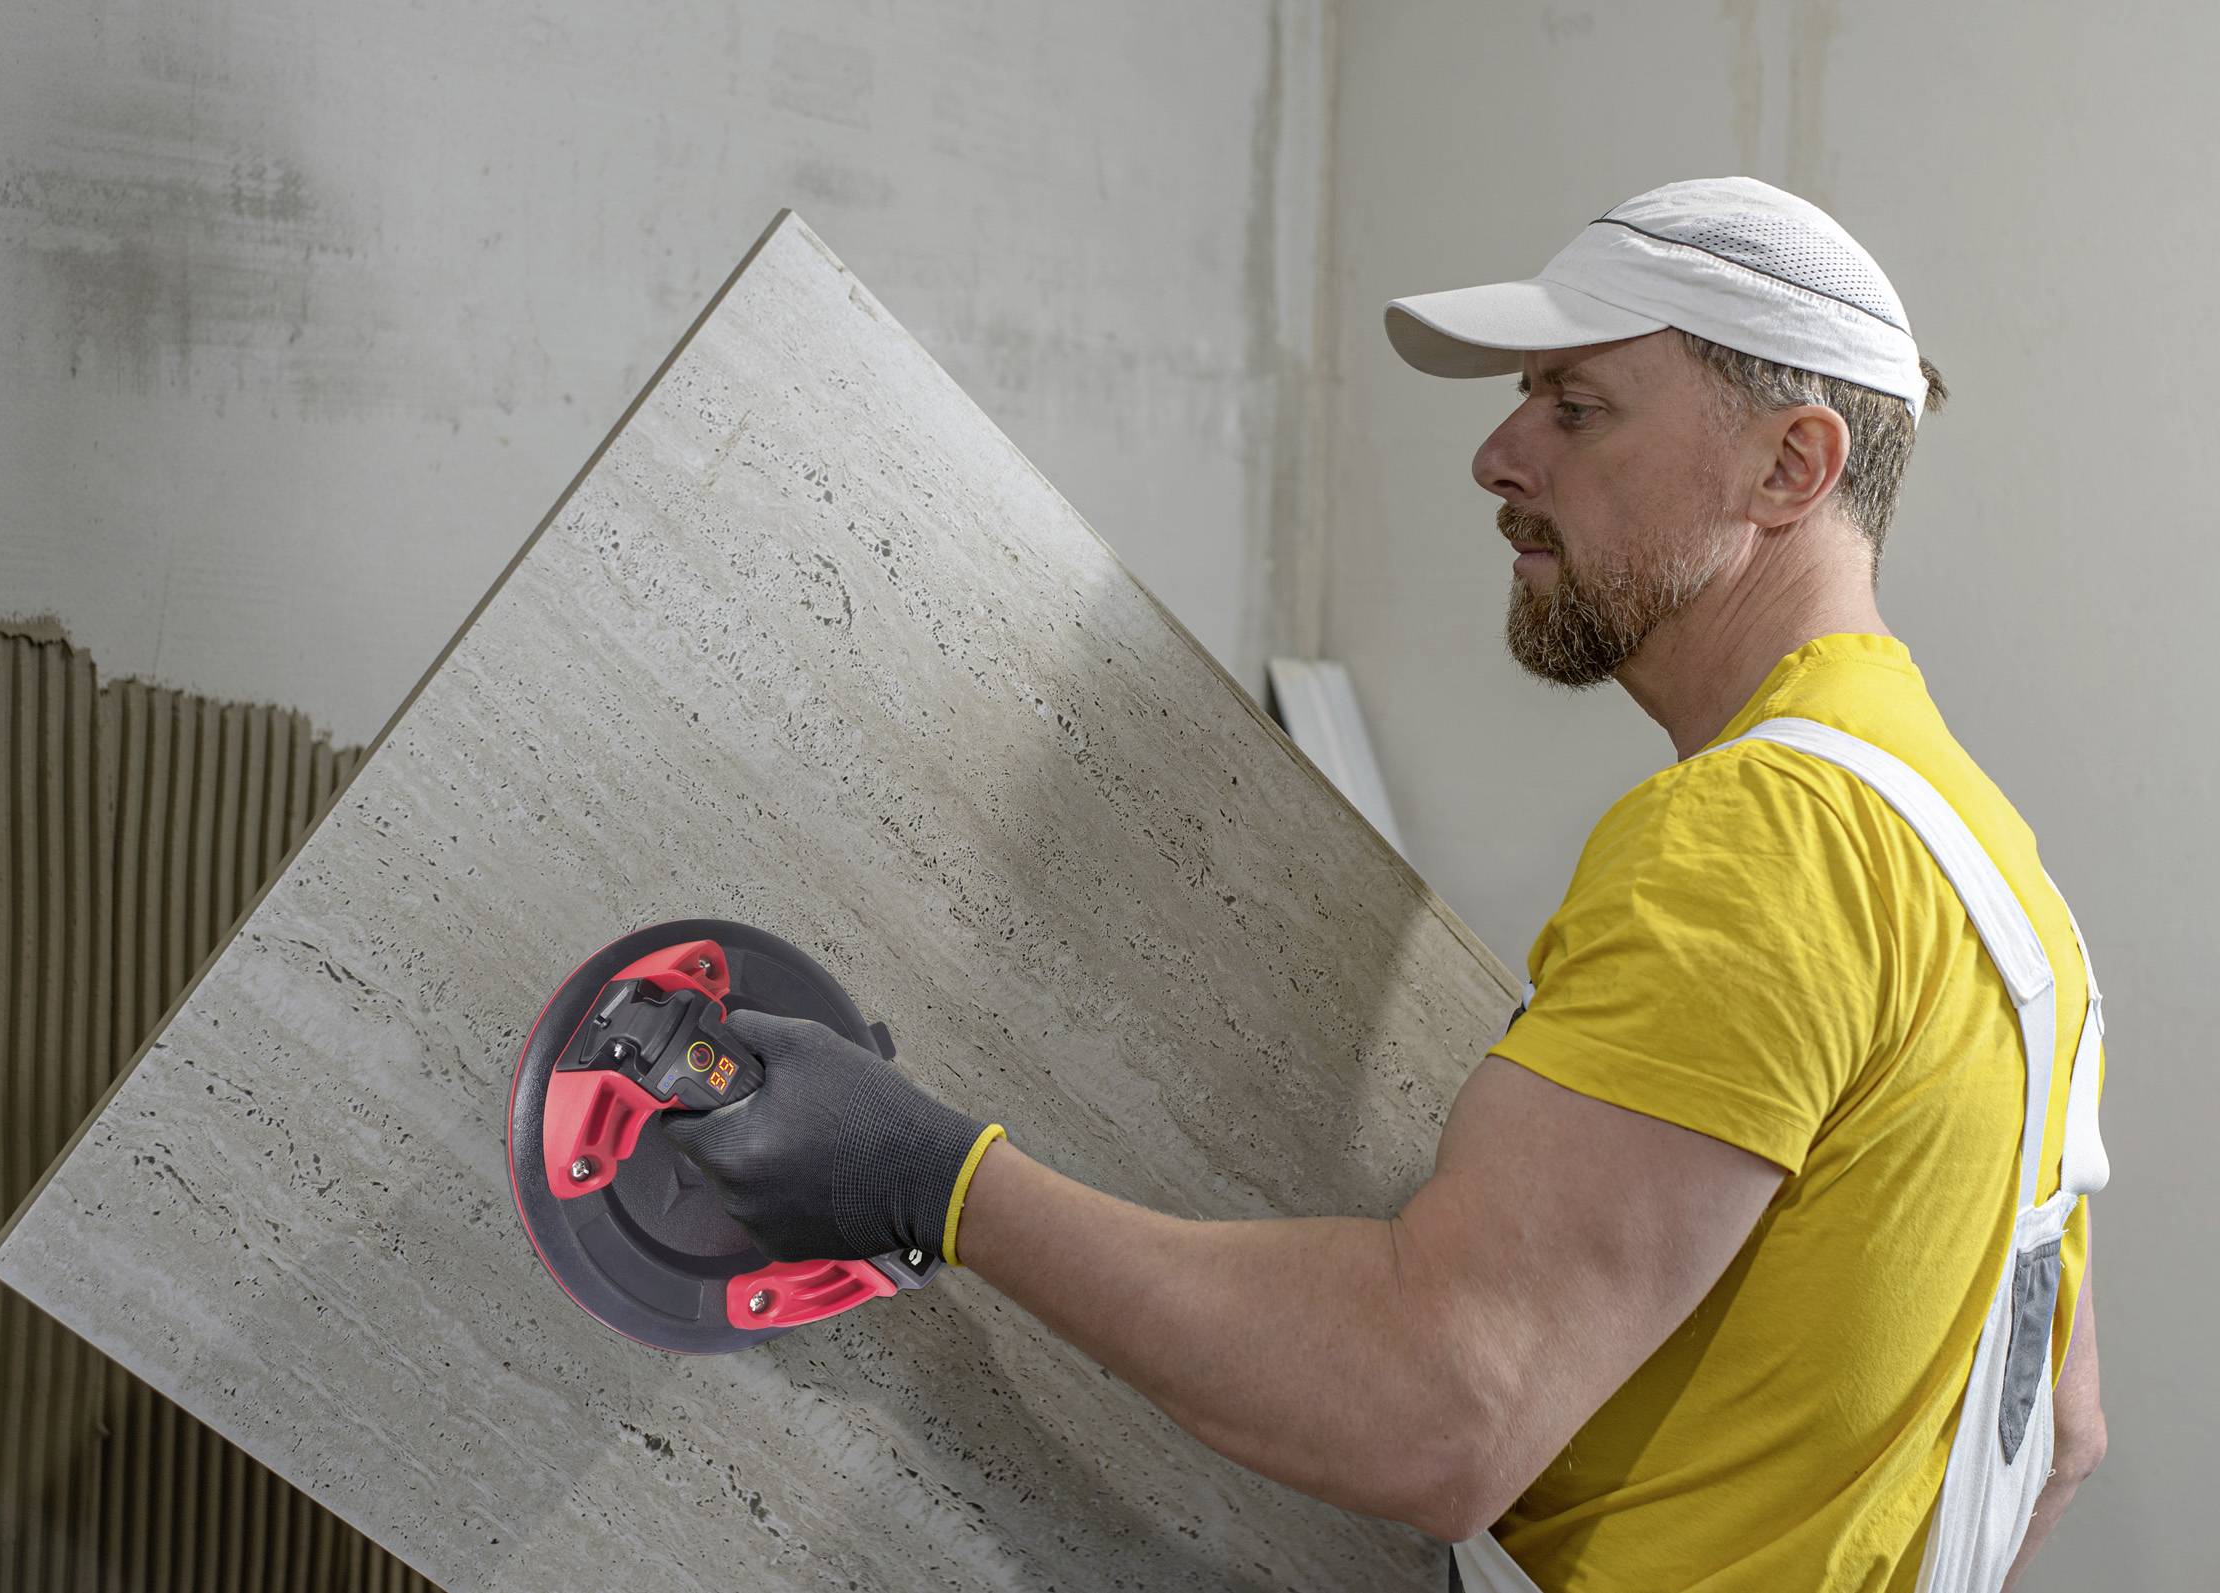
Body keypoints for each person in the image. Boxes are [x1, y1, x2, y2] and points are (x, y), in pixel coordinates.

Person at [661, 176, 2109, 1591]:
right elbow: (2061, 1432)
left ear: (1790, 467)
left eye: (1575, 405)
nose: (1499, 455)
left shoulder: (1764, 836)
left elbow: (1443, 1405)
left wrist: (932, 1179)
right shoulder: (1989, 868)